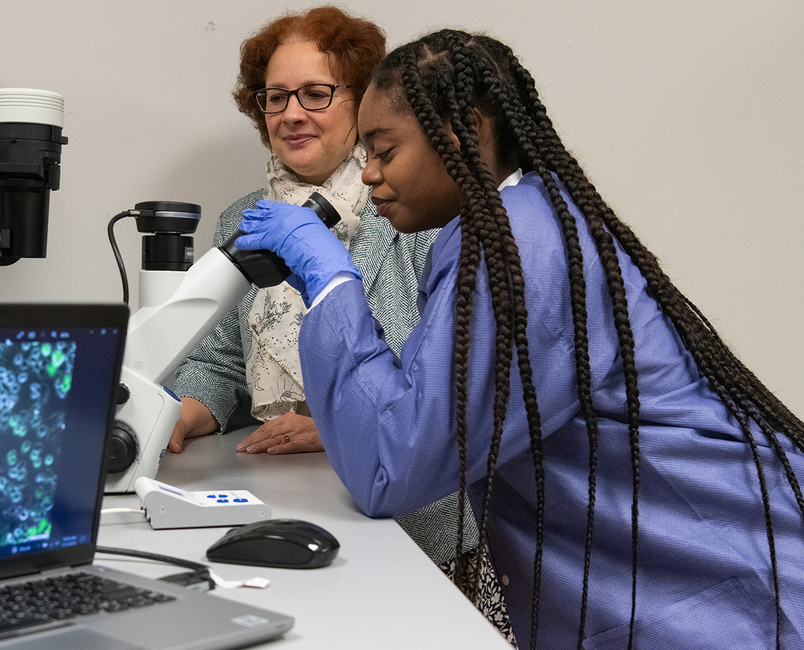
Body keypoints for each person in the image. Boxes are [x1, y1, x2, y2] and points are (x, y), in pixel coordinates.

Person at [236, 28, 804, 649]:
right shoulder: (510, 227)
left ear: (463, 132)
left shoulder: (520, 247)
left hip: (729, 586)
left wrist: (330, 285)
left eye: (384, 149)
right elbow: (421, 407)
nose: (368, 174)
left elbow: (391, 467)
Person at [168, 8, 514, 641]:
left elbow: (437, 378)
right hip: (289, 499)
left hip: (418, 521)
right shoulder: (244, 220)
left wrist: (335, 422)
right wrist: (174, 416)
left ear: (361, 103)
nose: (292, 113)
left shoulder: (414, 205)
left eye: (316, 94)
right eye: (275, 98)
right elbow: (217, 360)